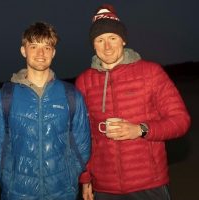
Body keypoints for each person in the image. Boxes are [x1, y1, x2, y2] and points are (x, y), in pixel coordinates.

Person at [75, 4, 191, 200]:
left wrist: (140, 130)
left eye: (112, 38)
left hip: (149, 183)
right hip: (105, 186)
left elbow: (181, 121)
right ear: (93, 45)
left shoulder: (151, 72)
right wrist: (85, 178)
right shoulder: (84, 82)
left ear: (123, 40)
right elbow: (82, 136)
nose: (107, 46)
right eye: (100, 40)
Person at [0, 21, 91, 200]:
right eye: (33, 46)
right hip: (18, 194)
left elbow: (83, 144)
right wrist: (8, 181)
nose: (41, 54)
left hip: (62, 193)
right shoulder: (4, 97)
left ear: (54, 53)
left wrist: (70, 177)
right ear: (23, 50)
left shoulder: (71, 95)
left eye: (47, 47)